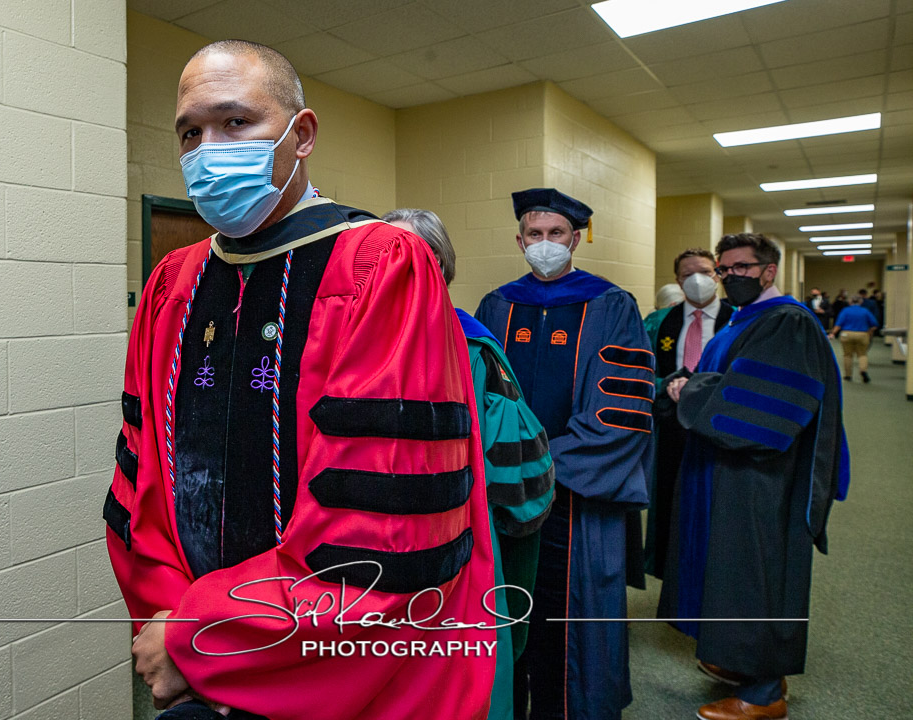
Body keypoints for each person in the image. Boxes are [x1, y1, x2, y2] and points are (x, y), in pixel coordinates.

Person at [105, 41, 498, 720]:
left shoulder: (381, 265)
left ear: (301, 134)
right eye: (190, 132)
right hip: (195, 652)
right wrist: (170, 620)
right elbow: (140, 489)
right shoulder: (174, 281)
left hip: (348, 674)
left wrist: (206, 636)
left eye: (235, 123)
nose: (208, 149)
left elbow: (383, 529)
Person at [475, 188, 653, 720]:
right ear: (519, 240)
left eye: (556, 235)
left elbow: (620, 407)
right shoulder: (497, 304)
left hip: (575, 497)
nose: (545, 244)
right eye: (535, 235)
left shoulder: (611, 305)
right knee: (506, 612)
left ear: (575, 240)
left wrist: (547, 465)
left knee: (572, 620)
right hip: (506, 490)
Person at [658, 233, 849, 720]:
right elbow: (725, 384)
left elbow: (762, 410)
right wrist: (688, 386)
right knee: (733, 570)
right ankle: (747, 664)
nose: (730, 277)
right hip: (731, 469)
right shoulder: (748, 321)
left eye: (741, 268)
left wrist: (691, 390)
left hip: (764, 476)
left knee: (758, 575)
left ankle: (765, 694)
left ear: (768, 271)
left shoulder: (788, 322)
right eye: (725, 269)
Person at [384, 207, 556, 720]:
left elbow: (513, 486)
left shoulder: (473, 348)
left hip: (455, 552)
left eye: (405, 254)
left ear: (438, 264)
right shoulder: (349, 340)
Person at [643, 249, 733, 580]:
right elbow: (636, 371)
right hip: (669, 425)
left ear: (718, 275)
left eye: (706, 272)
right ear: (678, 280)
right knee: (670, 500)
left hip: (720, 426)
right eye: (687, 274)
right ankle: (670, 570)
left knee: (715, 501)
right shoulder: (657, 322)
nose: (697, 280)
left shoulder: (738, 320)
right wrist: (664, 384)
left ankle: (717, 572)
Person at [830, 295, 878, 383]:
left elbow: (838, 324)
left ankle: (848, 375)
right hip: (862, 334)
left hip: (847, 334)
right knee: (862, 354)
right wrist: (869, 332)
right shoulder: (865, 311)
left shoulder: (845, 310)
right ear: (861, 302)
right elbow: (874, 324)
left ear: (850, 302)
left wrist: (832, 333)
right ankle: (863, 370)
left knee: (847, 355)